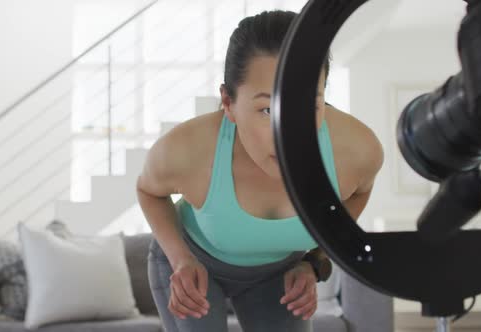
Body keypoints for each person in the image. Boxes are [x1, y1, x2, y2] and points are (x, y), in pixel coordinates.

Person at [136, 9, 383, 332]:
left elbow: (359, 194)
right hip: (194, 264)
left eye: (308, 105)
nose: (290, 132)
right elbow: (148, 191)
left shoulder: (356, 152)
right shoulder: (187, 150)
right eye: (267, 109)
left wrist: (313, 261)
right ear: (228, 102)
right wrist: (180, 259)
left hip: (278, 274)